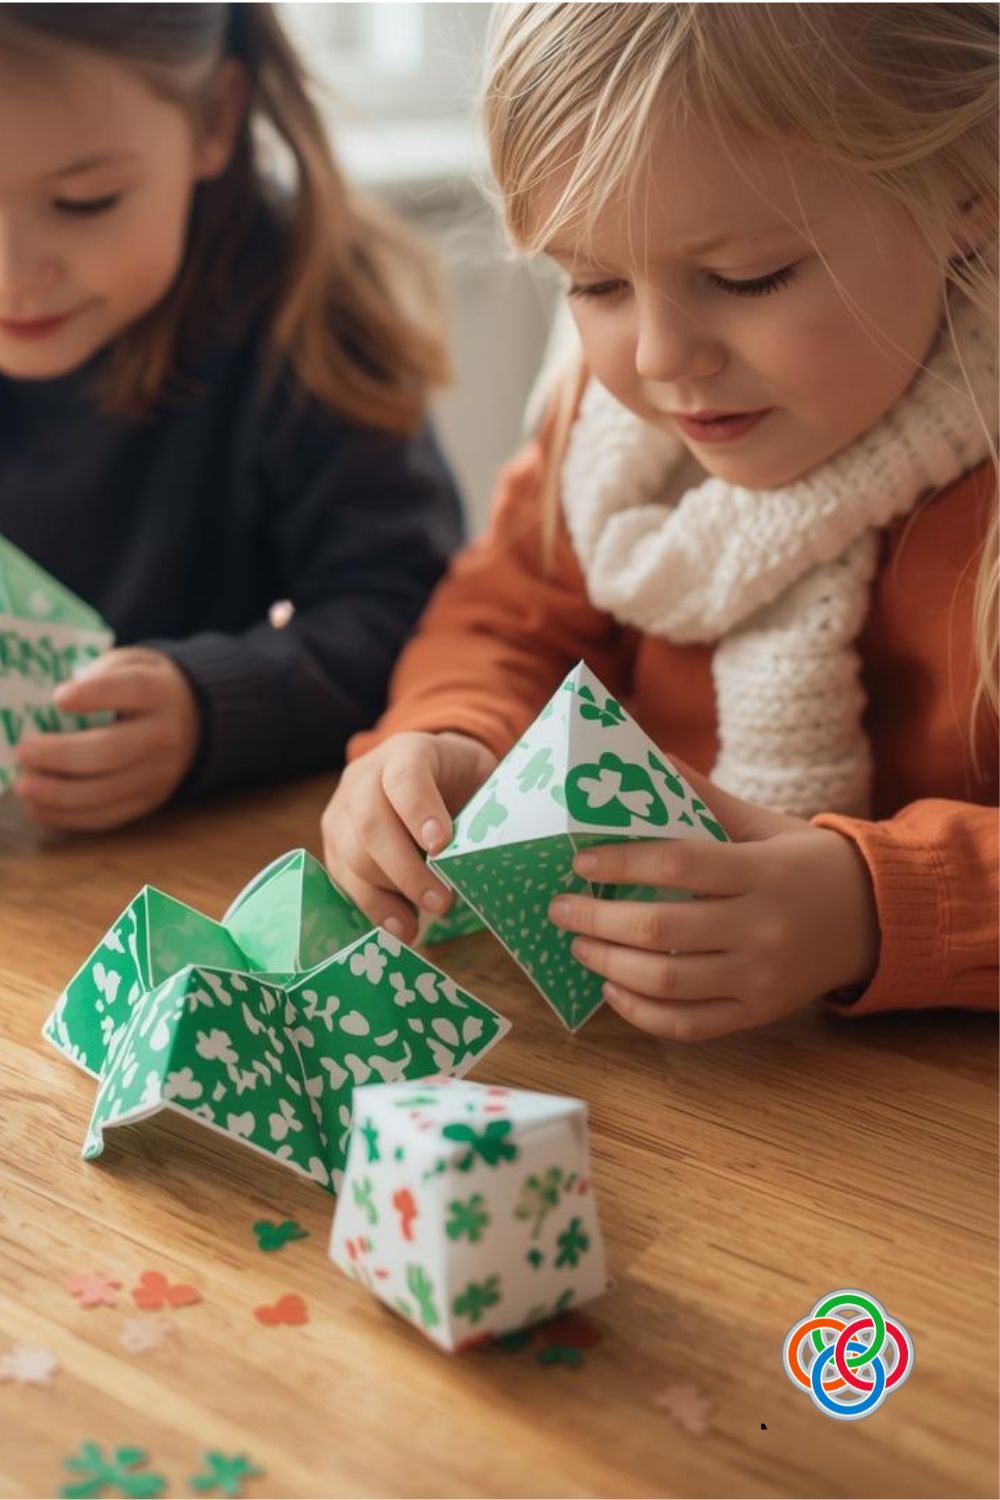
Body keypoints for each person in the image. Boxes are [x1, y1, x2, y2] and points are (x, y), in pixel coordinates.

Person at [321, 2, 998, 1041]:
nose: (658, 359)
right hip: (684, 1105)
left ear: (968, 190)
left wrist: (875, 905)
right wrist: (449, 738)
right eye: (591, 284)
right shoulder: (608, 453)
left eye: (744, 278)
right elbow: (503, 622)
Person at [0, 2, 463, 831]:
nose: (12, 276)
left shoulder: (308, 315)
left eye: (84, 201)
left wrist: (211, 709)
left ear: (217, 117)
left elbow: (411, 614)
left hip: (203, 859)